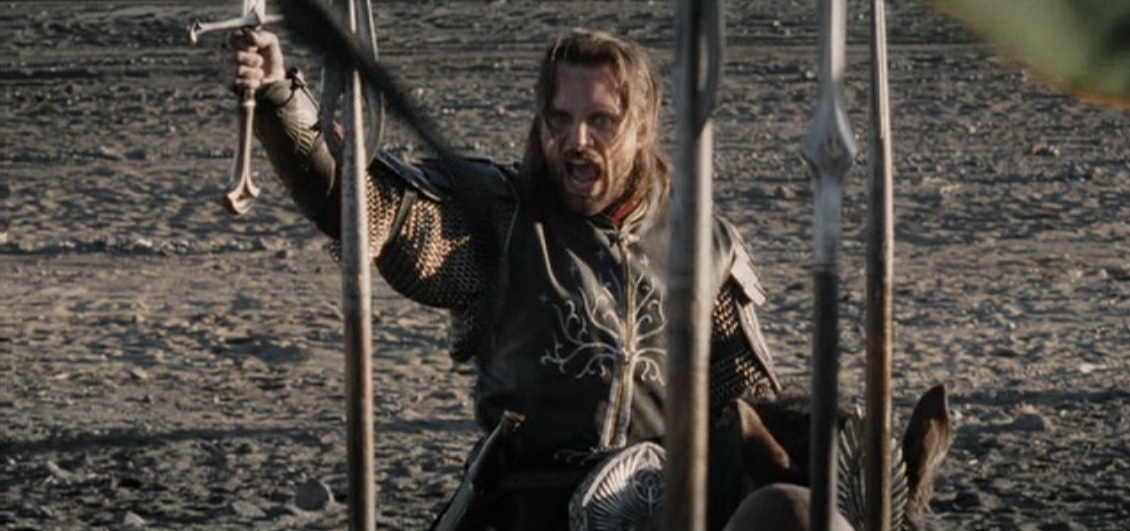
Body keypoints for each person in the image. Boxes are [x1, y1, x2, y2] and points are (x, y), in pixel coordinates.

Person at [221, 27, 787, 531]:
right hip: (518, 508)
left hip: (657, 511)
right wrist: (277, 96)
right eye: (559, 119)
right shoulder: (501, 218)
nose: (576, 141)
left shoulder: (703, 245)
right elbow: (364, 205)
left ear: (641, 128)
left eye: (600, 121)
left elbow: (745, 413)